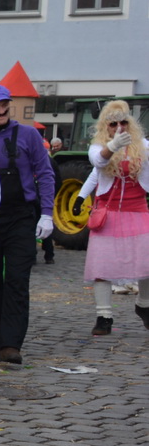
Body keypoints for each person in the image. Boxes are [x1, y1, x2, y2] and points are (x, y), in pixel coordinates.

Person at [0, 84, 55, 362]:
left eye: (4, 103)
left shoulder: (28, 135)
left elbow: (44, 173)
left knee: (17, 279)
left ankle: (11, 344)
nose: (1, 108)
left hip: (20, 215)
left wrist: (46, 212)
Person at [82, 100, 149, 336]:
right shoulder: (97, 146)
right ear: (105, 126)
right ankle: (104, 316)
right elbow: (97, 163)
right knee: (102, 266)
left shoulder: (143, 146)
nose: (119, 127)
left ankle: (144, 304)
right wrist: (112, 146)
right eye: (113, 123)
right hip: (107, 213)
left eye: (123, 122)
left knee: (146, 262)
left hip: (137, 210)